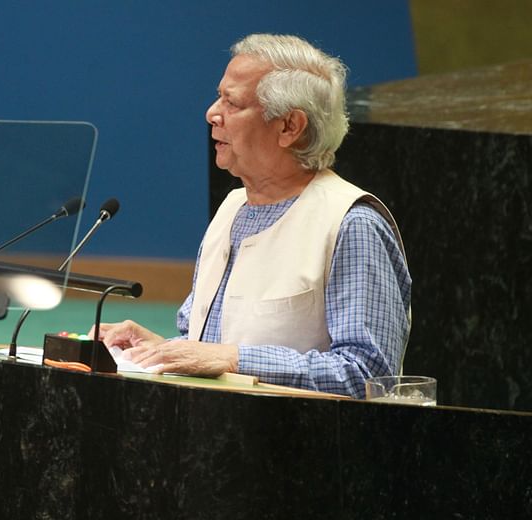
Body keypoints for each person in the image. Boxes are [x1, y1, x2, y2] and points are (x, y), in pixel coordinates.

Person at [93, 33, 411, 398]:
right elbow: (212, 346)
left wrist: (233, 359)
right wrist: (160, 349)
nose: (211, 113)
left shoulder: (353, 224)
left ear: (289, 127)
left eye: (232, 103)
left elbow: (369, 375)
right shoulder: (233, 208)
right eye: (219, 97)